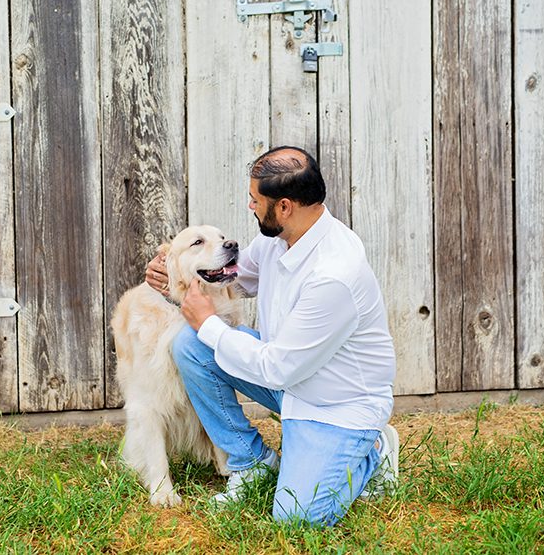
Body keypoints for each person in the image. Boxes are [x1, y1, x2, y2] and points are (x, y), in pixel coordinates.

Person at [145, 145, 398, 526]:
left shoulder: (334, 274)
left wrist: (208, 323)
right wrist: (174, 277)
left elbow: (278, 368)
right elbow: (236, 277)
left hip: (336, 407)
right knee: (190, 344)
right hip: (292, 379)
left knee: (297, 517)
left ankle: (374, 450)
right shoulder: (280, 238)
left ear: (283, 207)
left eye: (254, 200)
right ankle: (250, 463)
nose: (249, 207)